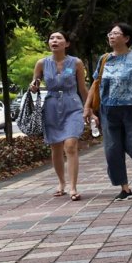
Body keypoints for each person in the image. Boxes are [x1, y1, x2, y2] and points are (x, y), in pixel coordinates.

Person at [84, 22, 132, 201]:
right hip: (108, 110)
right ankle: (125, 188)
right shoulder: (104, 59)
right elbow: (95, 83)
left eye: (115, 33)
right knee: (112, 150)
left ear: (126, 38)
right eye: (110, 33)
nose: (111, 36)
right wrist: (87, 107)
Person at [30, 31, 88, 201]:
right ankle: (61, 182)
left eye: (59, 38)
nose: (54, 41)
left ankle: (73, 187)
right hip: (52, 105)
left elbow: (82, 88)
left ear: (67, 43)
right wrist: (34, 86)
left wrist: (90, 108)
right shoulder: (41, 63)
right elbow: (35, 82)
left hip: (72, 104)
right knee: (55, 146)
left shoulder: (76, 63)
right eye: (51, 38)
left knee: (70, 145)